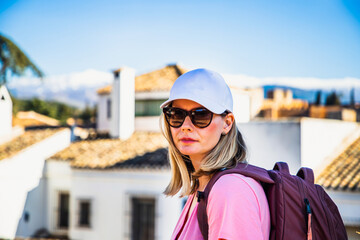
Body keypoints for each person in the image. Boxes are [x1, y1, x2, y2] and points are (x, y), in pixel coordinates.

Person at [160, 68, 270, 240]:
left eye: (201, 115)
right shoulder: (202, 189)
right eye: (176, 115)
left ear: (227, 123)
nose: (185, 126)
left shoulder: (229, 190)